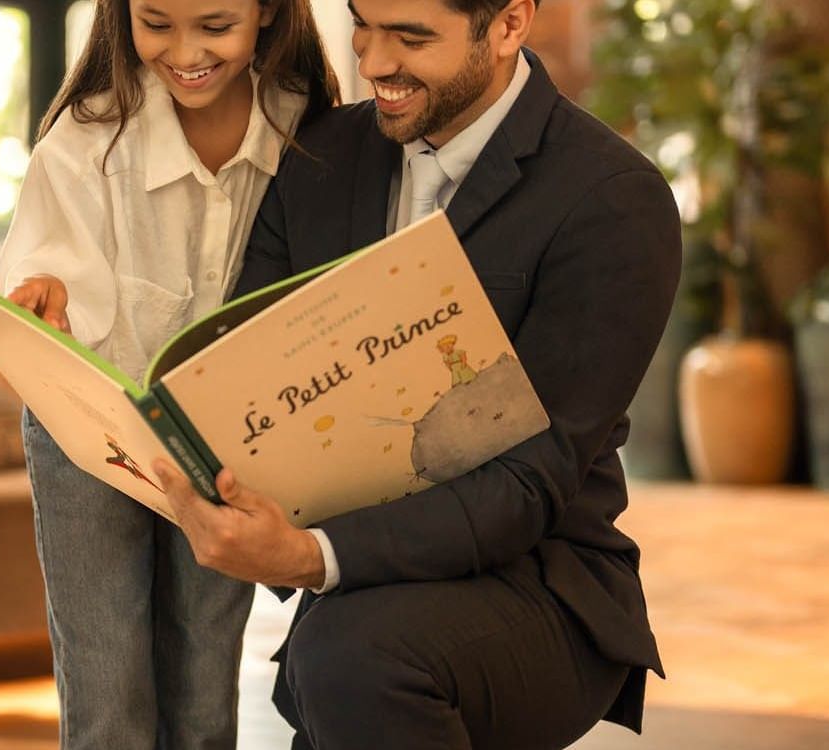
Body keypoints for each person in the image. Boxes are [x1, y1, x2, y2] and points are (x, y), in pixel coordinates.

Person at [152, 0, 681, 748]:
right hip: (358, 607)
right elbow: (243, 364)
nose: (370, 63)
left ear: (507, 25)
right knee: (336, 661)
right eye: (363, 24)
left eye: (410, 37)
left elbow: (532, 482)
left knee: (348, 659)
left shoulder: (610, 199)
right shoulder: (318, 157)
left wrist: (311, 557)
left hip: (538, 583)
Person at [0, 1, 338, 747]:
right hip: (87, 434)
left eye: (214, 26)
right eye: (156, 23)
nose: (184, 52)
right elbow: (39, 274)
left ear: (268, 11)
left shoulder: (302, 124)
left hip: (219, 439)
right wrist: (41, 294)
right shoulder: (86, 138)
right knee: (106, 680)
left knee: (203, 679)